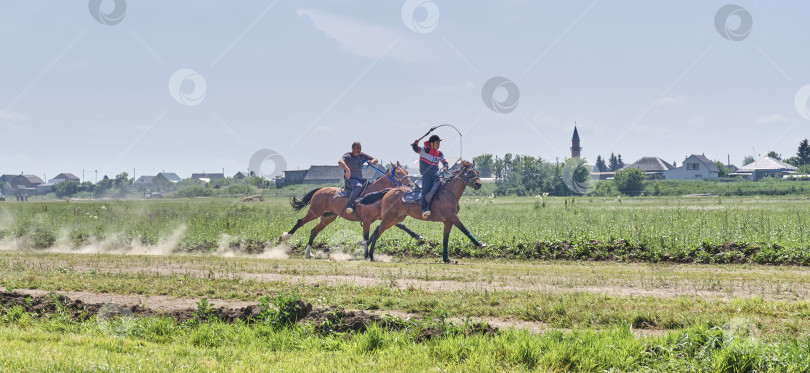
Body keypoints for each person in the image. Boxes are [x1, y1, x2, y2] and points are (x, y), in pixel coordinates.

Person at [411, 134, 449, 219]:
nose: (438, 145)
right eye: (436, 143)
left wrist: (446, 167)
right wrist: (415, 144)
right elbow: (416, 149)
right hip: (426, 176)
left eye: (439, 143)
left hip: (436, 176)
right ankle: (424, 209)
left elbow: (444, 162)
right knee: (426, 190)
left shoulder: (440, 153)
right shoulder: (424, 150)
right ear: (431, 143)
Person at [338, 142, 378, 214]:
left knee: (370, 185)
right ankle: (350, 205)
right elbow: (340, 162)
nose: (359, 149)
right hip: (350, 180)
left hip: (359, 179)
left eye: (360, 148)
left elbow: (376, 159)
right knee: (358, 187)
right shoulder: (348, 156)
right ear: (352, 148)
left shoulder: (362, 155)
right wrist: (347, 169)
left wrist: (372, 162)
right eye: (357, 148)